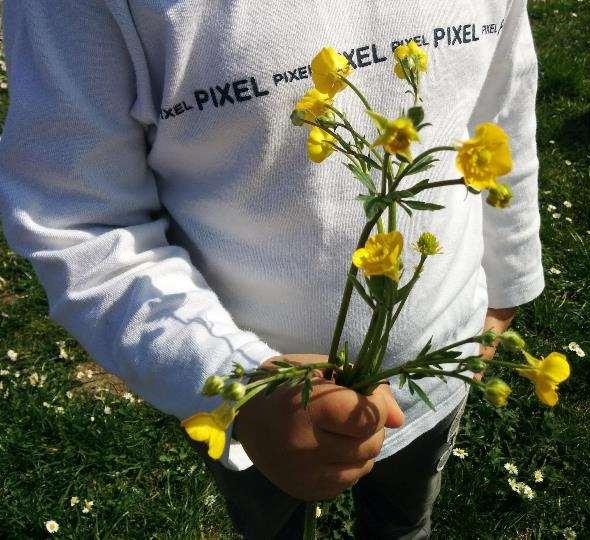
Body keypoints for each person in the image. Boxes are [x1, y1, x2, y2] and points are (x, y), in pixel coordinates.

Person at [0, 0, 544, 537]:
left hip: (436, 366)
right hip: (253, 408)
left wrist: (505, 286)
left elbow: (502, 109)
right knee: (272, 526)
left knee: (402, 522)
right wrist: (237, 385)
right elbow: (77, 217)